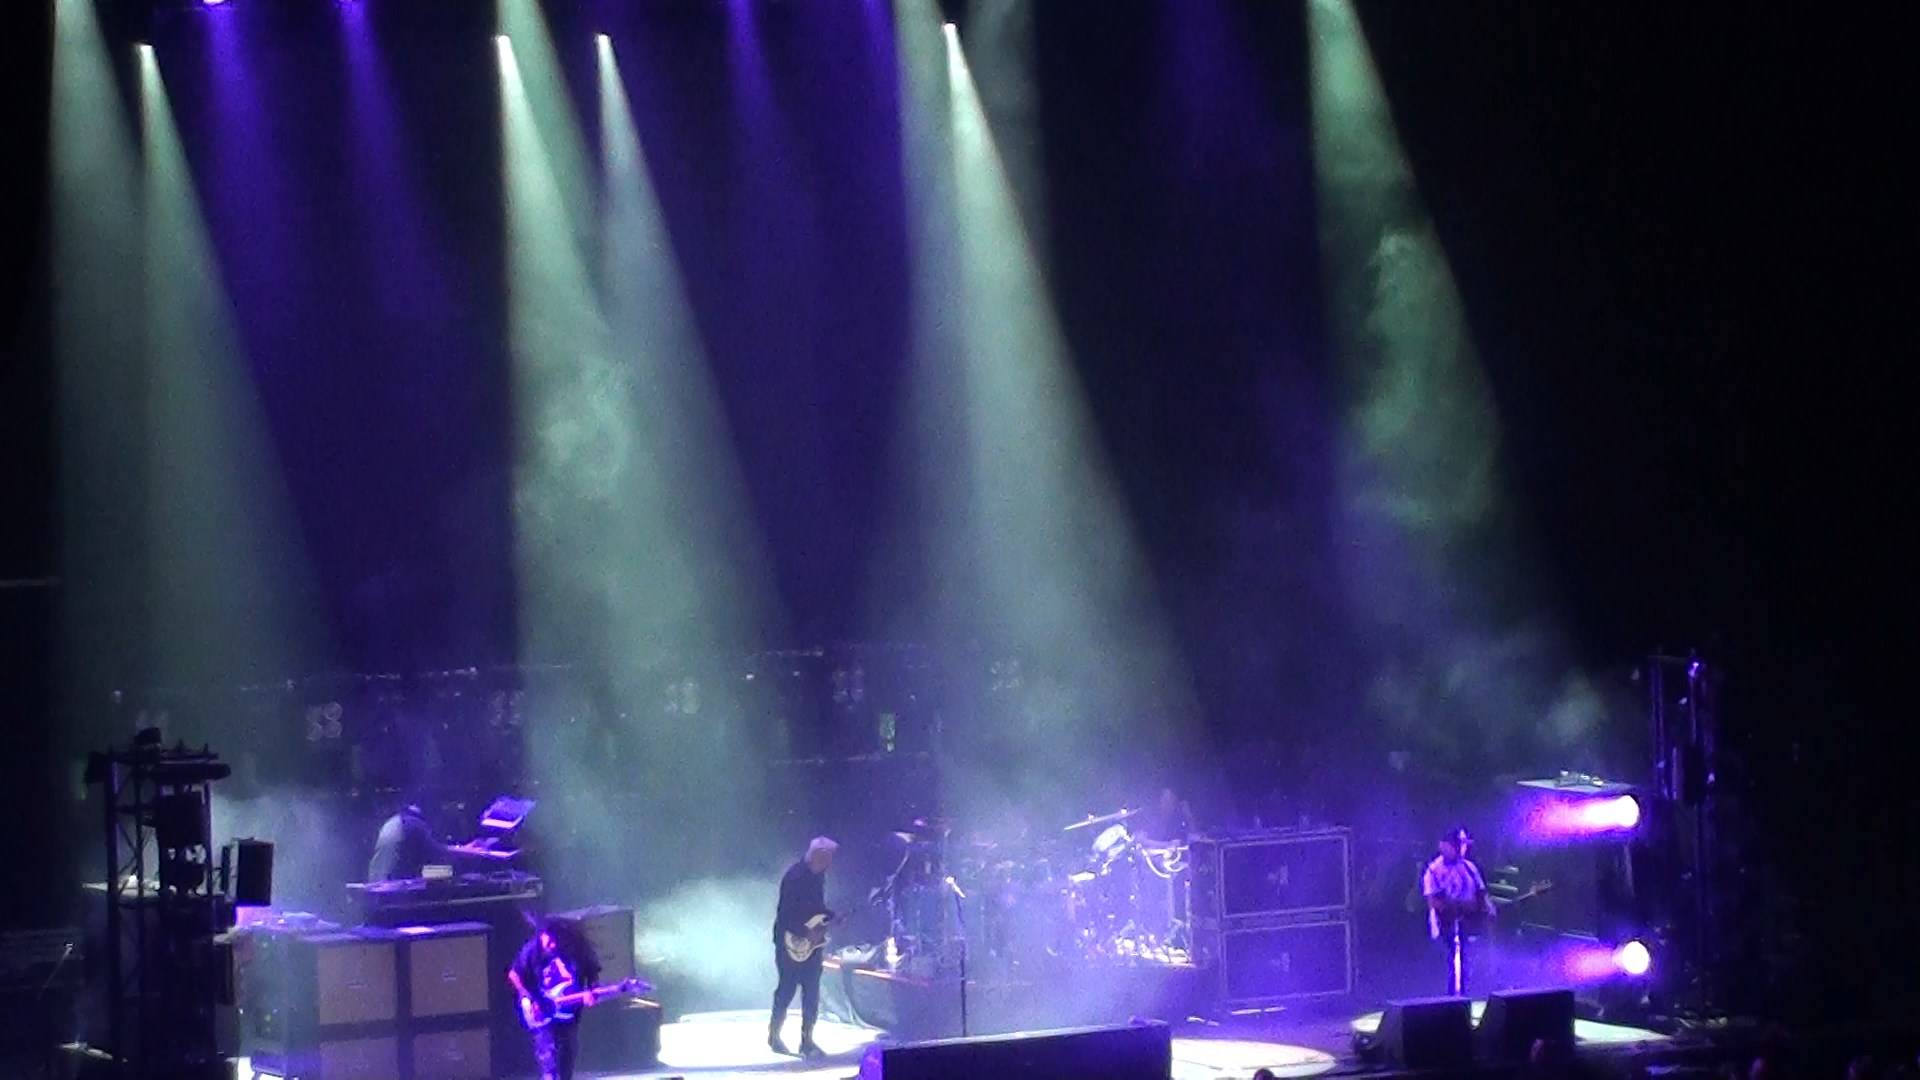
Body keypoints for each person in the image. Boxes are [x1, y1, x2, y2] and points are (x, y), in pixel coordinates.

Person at [507, 917, 602, 1080]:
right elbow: (514, 975)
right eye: (549, 941)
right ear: (542, 935)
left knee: (567, 1055)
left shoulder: (577, 949)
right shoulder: (532, 950)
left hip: (569, 1011)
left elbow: (592, 972)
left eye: (557, 941)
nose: (553, 945)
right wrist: (533, 999)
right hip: (541, 1010)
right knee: (548, 1055)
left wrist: (592, 991)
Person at [770, 836, 837, 1059]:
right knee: (787, 988)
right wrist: (804, 931)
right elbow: (786, 912)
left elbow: (816, 908)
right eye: (827, 858)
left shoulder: (819, 878)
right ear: (817, 855)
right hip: (789, 940)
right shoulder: (795, 876)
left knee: (812, 991)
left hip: (812, 944)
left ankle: (807, 1041)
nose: (829, 863)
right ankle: (774, 1035)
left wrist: (831, 916)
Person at [1422, 825, 1494, 996]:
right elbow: (1433, 901)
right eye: (1457, 845)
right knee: (1447, 962)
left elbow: (1481, 891)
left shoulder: (1469, 867)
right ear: (1444, 845)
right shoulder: (1433, 870)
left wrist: (1488, 907)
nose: (1461, 849)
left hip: (1467, 923)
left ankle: (1466, 994)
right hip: (1445, 925)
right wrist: (1457, 907)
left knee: (1467, 960)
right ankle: (1447, 997)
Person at [366, 802, 447, 882]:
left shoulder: (390, 822)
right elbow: (436, 853)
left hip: (376, 878)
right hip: (398, 880)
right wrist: (451, 851)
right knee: (447, 871)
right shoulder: (414, 823)